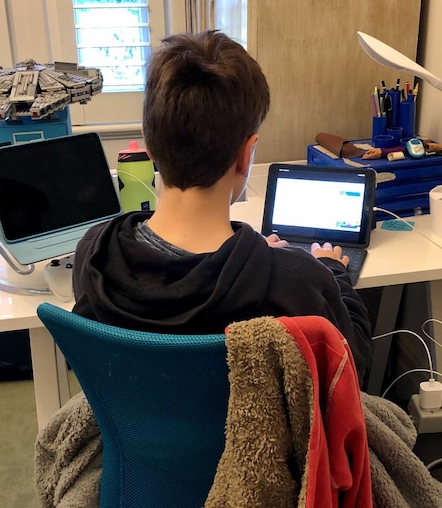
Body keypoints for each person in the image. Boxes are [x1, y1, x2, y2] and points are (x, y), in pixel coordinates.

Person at [71, 30, 372, 384]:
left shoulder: (94, 254)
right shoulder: (296, 282)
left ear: (149, 145)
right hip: (265, 440)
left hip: (139, 437)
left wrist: (259, 258)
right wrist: (331, 271)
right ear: (247, 155)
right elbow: (353, 368)